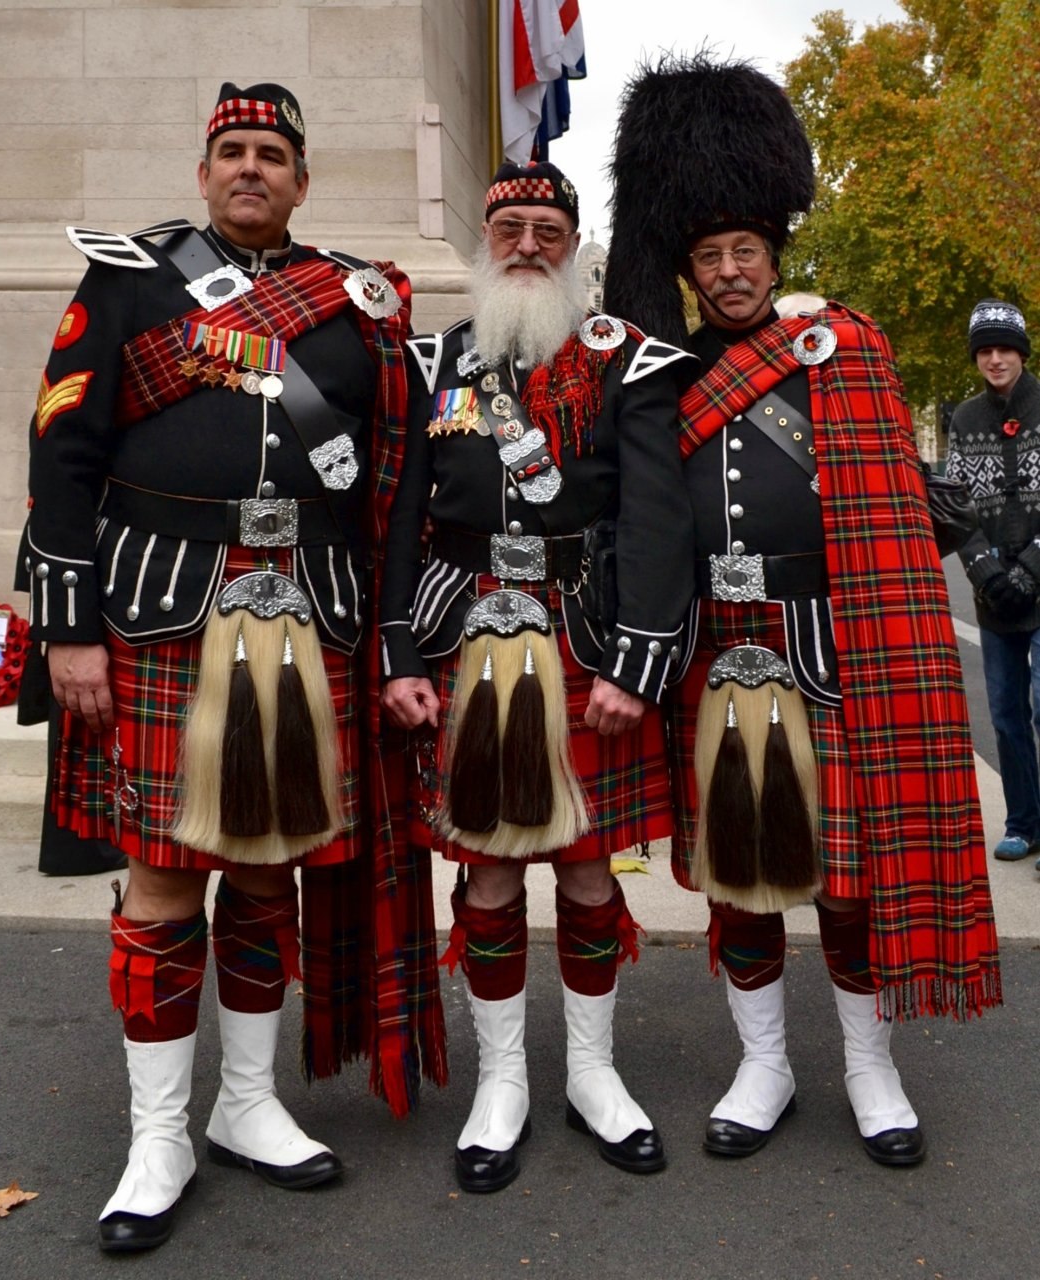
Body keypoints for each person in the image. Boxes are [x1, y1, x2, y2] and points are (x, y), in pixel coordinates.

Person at [19, 81, 444, 1252]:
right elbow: (63, 445)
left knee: (268, 870)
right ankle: (159, 1131)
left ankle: (248, 1104)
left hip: (311, 619)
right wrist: (68, 623)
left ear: (302, 181)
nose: (251, 167)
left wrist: (396, 633)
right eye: (232, 151)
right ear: (204, 174)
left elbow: (398, 481)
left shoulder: (359, 302)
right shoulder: (129, 277)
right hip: (159, 615)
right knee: (164, 874)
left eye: (272, 153)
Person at [605, 53, 1002, 1167]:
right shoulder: (668, 373)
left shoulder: (846, 348)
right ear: (688, 272)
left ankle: (870, 1068)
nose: (729, 271)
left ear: (774, 255)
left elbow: (884, 501)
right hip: (721, 652)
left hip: (831, 647)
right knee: (743, 873)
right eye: (709, 257)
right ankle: (765, 1063)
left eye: (745, 252)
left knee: (848, 872)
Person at [379, 160, 695, 1191]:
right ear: (483, 237)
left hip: (584, 638)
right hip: (467, 635)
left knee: (593, 866)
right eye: (507, 224)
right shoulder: (438, 365)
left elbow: (655, 517)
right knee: (492, 867)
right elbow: (399, 515)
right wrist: (399, 650)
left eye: (545, 227)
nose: (525, 242)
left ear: (572, 242)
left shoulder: (622, 362)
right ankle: (503, 1078)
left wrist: (639, 661)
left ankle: (594, 1073)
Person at [946, 300, 1040, 864]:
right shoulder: (965, 418)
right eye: (986, 350)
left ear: (1022, 353)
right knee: (1004, 712)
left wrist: (1029, 569)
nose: (996, 359)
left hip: (1037, 572)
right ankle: (1024, 821)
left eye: (1005, 348)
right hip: (994, 589)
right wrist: (985, 571)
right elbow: (956, 508)